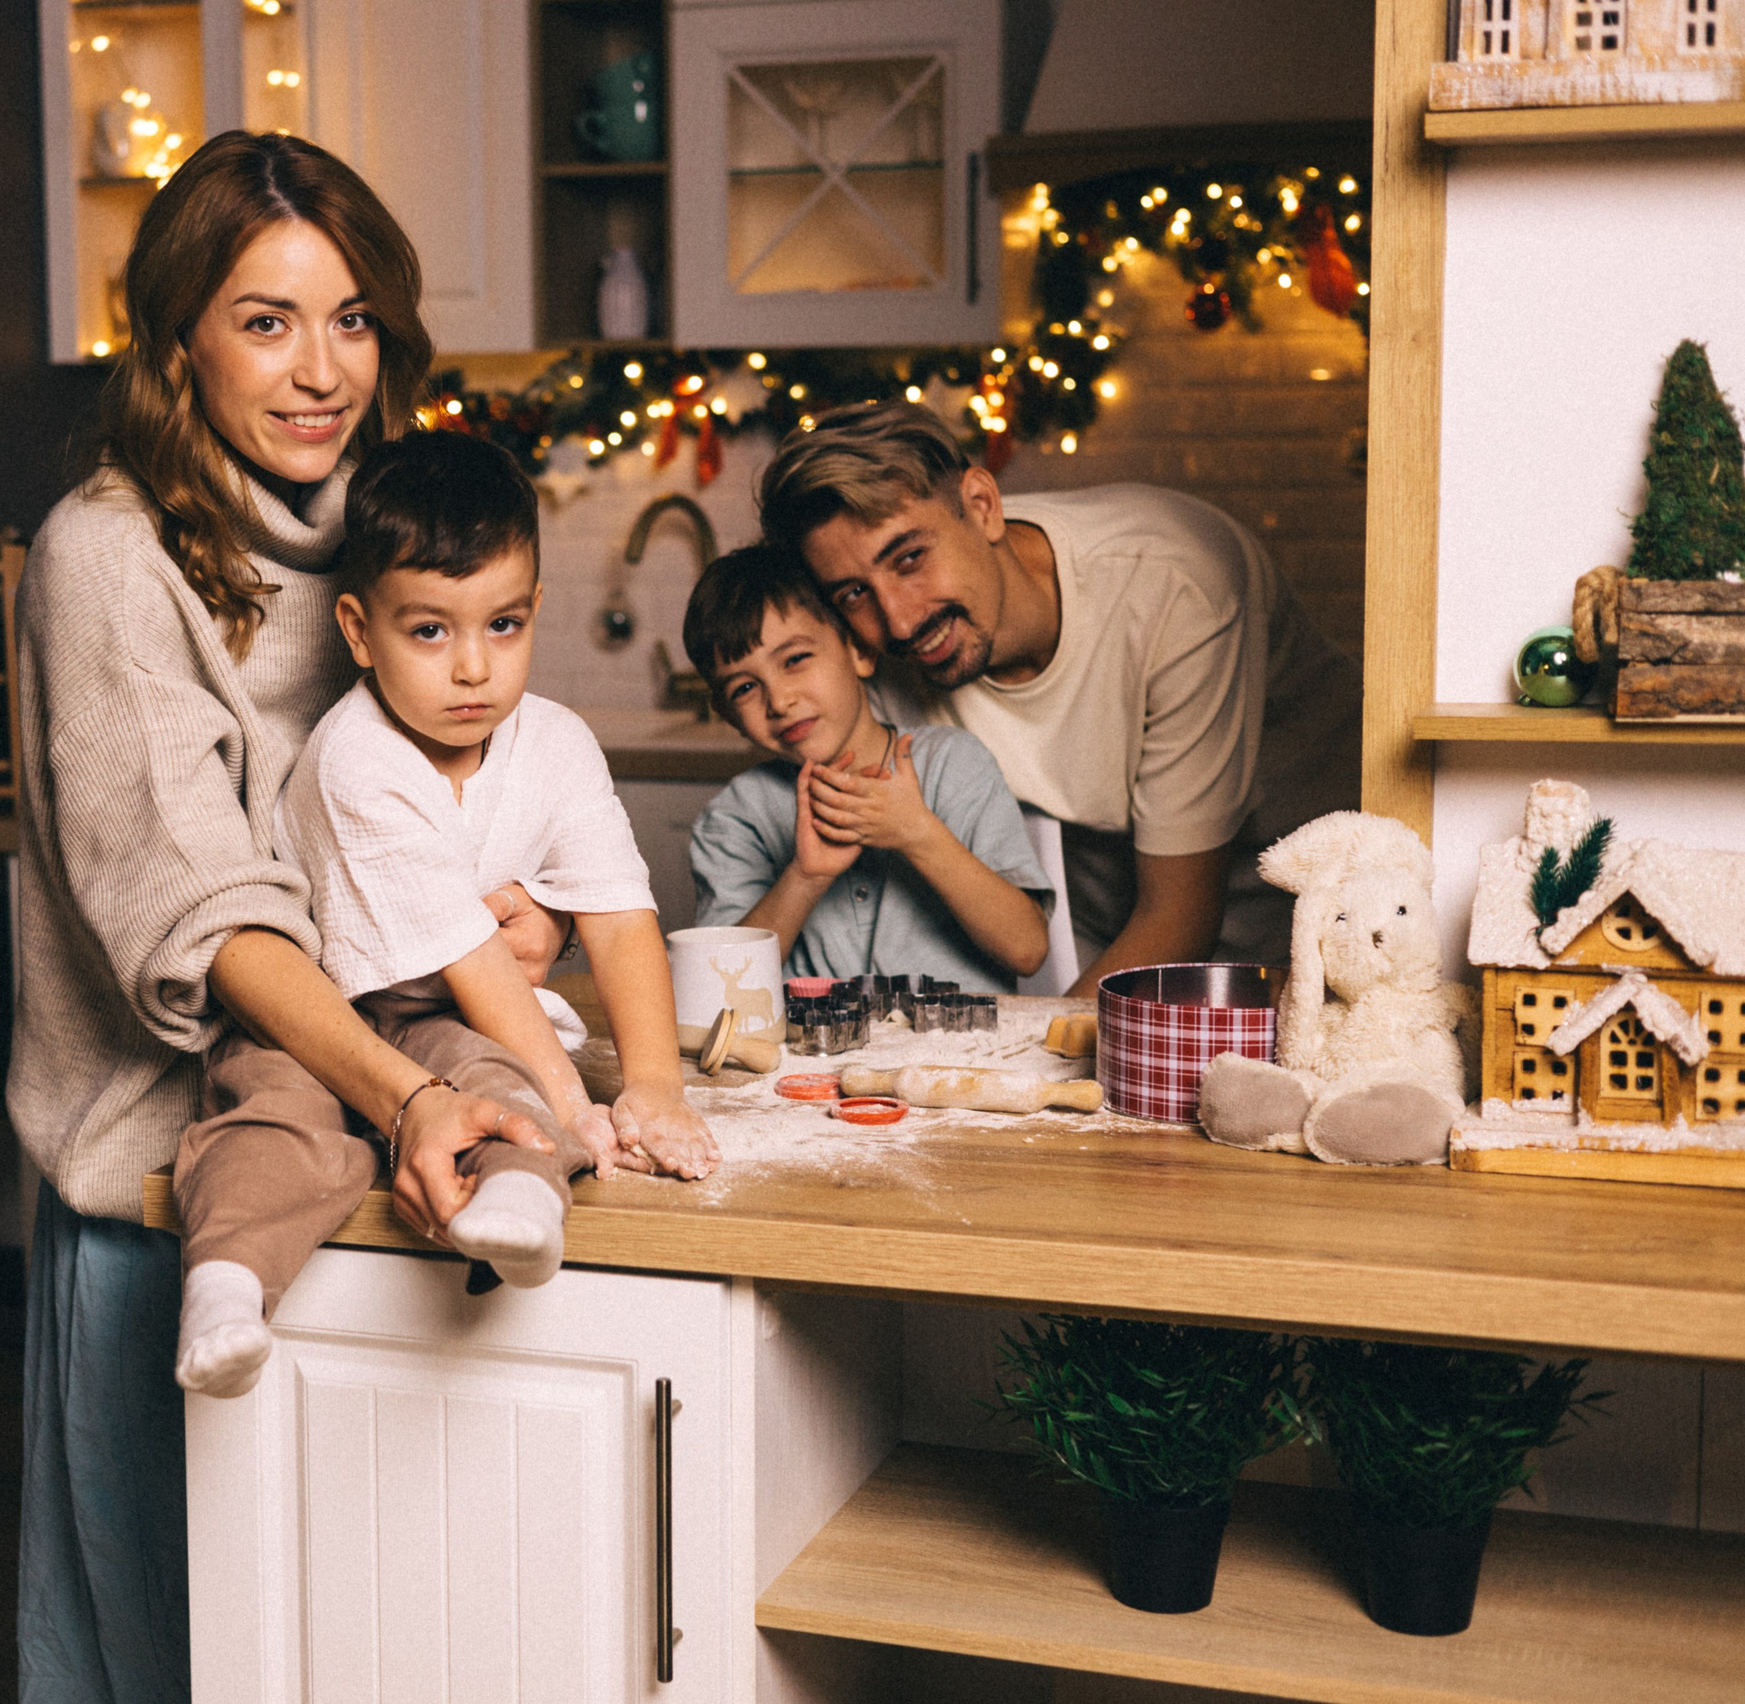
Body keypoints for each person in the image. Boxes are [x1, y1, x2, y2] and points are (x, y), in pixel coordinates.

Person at [7, 132, 707, 1704]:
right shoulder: (108, 556)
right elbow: (208, 913)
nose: (321, 370)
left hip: (391, 1148)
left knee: (354, 1646)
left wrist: (499, 927)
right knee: (172, 1659)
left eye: (352, 320)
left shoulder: (388, 537)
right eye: (265, 321)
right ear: (174, 337)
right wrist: (416, 1087)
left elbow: (434, 809)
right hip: (174, 1189)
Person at [170, 432, 719, 1397]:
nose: (473, 668)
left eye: (503, 626)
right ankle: (225, 1290)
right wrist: (576, 1107)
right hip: (318, 1022)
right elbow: (472, 955)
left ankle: (520, 1212)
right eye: (429, 631)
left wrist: (654, 1087)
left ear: (536, 607)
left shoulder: (558, 744)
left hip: (445, 1018)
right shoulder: (358, 757)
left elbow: (619, 912)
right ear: (357, 631)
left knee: (500, 1082)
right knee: (275, 1119)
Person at [757, 402, 1359, 990]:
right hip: (1103, 920)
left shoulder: (1174, 586)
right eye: (854, 593)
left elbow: (1179, 920)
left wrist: (1036, 1045)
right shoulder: (877, 651)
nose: (899, 620)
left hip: (1311, 900)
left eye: (910, 558)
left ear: (982, 506)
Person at [682, 542, 1051, 991]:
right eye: (744, 688)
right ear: (729, 717)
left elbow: (1027, 950)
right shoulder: (735, 817)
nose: (778, 700)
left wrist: (918, 834)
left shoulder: (953, 764)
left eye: (795, 660)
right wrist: (805, 878)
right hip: (805, 1040)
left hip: (960, 1036)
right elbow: (713, 989)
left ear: (859, 650)